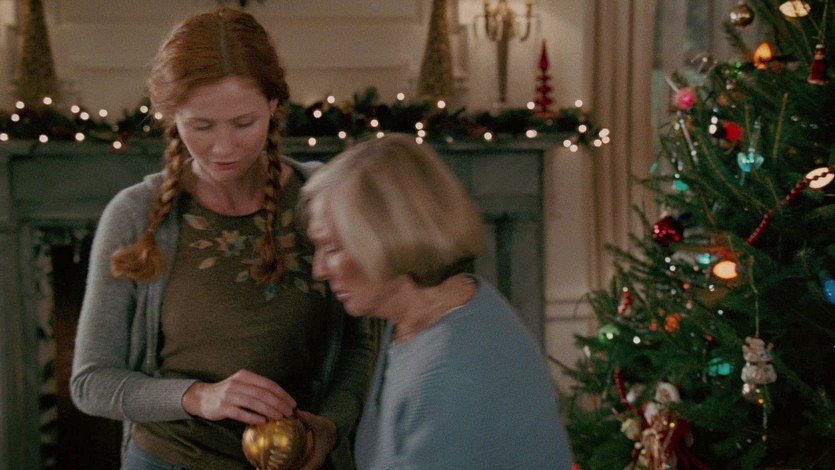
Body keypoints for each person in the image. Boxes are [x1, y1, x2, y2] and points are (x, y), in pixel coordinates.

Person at [70, 8, 377, 470]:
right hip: (167, 461)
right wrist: (198, 397)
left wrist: (331, 428)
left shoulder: (323, 200)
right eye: (202, 126)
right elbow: (90, 382)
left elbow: (360, 344)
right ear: (172, 116)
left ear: (273, 104)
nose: (225, 148)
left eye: (244, 122)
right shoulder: (136, 216)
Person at [299, 133, 575, 469]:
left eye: (332, 248)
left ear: (386, 239)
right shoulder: (429, 316)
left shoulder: (449, 375)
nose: (319, 270)